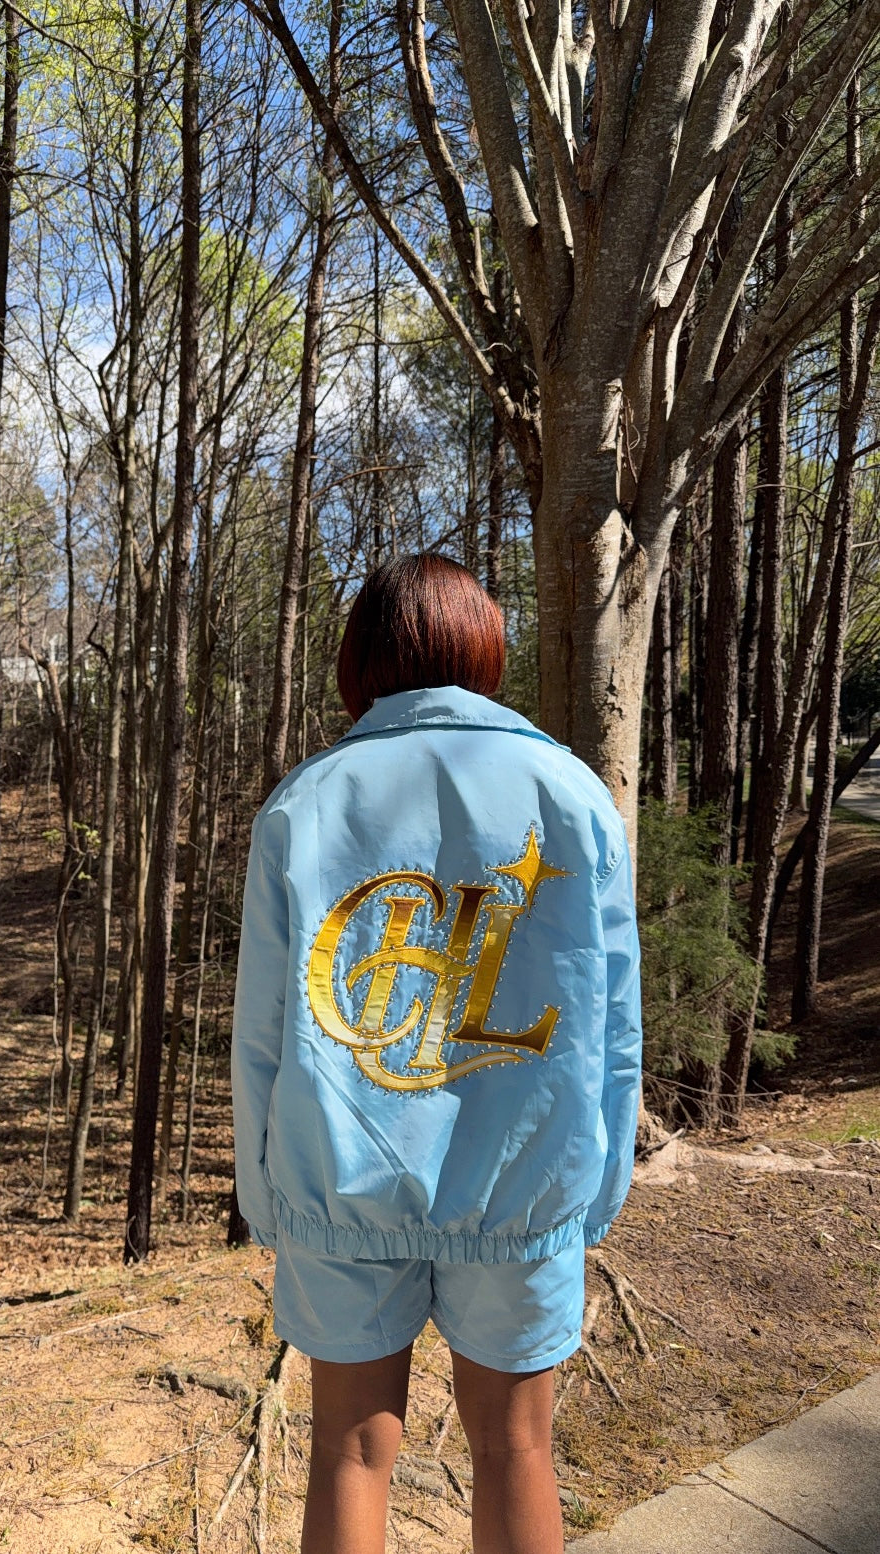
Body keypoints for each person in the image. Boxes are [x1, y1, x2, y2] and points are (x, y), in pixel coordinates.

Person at [231, 553, 642, 1554]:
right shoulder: (571, 793)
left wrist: (267, 1195)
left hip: (342, 1179)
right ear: (485, 653)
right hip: (523, 1183)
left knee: (348, 1452)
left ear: (359, 660)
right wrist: (597, 1190)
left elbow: (264, 1029)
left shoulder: (306, 802)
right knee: (517, 1449)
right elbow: (612, 1022)